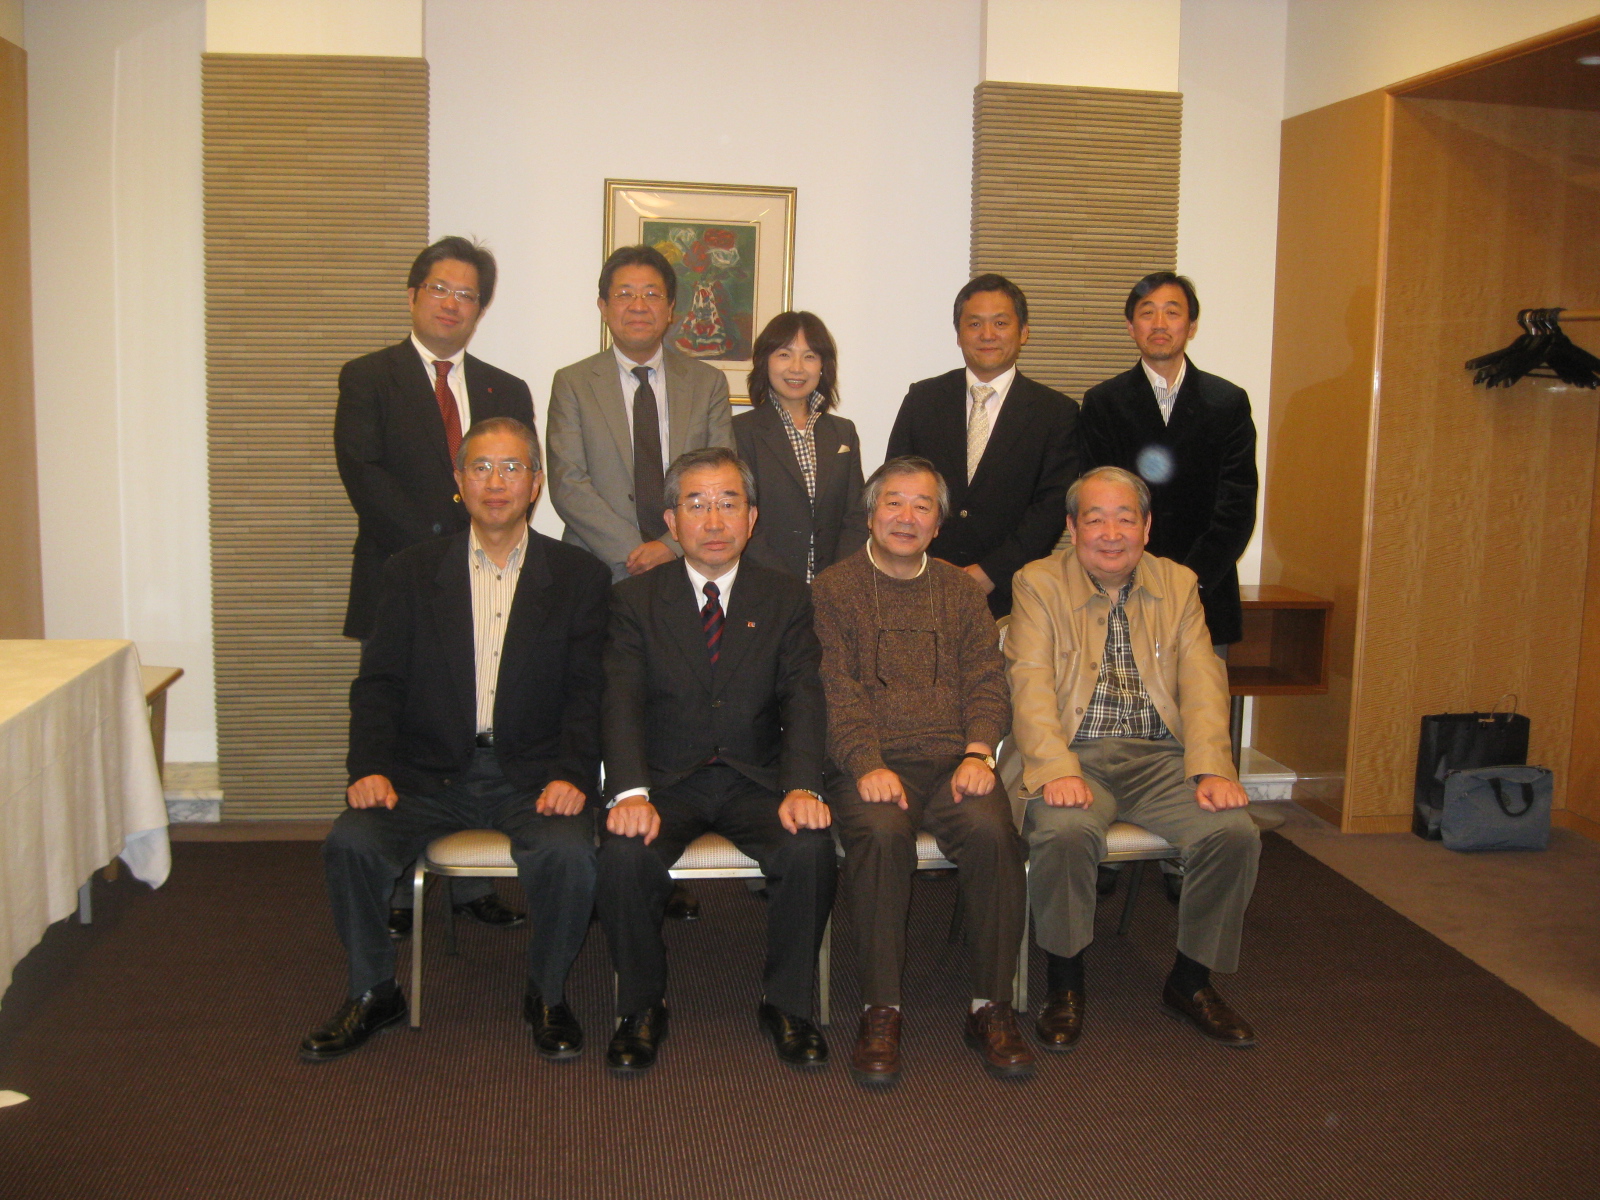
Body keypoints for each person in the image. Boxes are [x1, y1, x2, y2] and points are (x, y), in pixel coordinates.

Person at [300, 418, 610, 1063]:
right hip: (427, 774)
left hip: (532, 774)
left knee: (568, 852)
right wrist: (369, 766)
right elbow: (379, 684)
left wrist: (574, 774)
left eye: (512, 468)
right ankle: (373, 991)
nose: (496, 482)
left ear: (535, 484)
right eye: (481, 467)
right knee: (352, 842)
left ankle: (547, 993)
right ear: (458, 481)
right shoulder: (411, 571)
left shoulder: (578, 575)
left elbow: (589, 692)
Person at [596, 447, 836, 1075]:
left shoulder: (785, 597)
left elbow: (803, 696)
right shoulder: (634, 599)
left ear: (751, 518)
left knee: (810, 849)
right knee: (623, 854)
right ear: (671, 521)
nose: (713, 520)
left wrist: (802, 785)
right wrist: (629, 793)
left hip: (756, 778)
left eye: (729, 503)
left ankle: (787, 1005)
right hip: (665, 781)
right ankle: (640, 1006)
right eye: (696, 504)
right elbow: (620, 700)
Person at [1005, 467, 1261, 1054]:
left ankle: (1191, 981)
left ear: (1147, 527)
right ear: (1072, 528)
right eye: (1095, 519)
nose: (1111, 532)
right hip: (1074, 754)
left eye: (1125, 518)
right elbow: (1029, 684)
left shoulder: (1179, 583)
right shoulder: (1037, 582)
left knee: (1233, 832)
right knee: (1064, 832)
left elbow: (1203, 682)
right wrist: (1055, 768)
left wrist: (1213, 767)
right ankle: (1065, 982)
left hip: (1161, 757)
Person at [333, 235, 533, 933]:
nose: (452, 303)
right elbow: (364, 476)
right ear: (414, 293)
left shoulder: (507, 389)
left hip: (492, 583)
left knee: (477, 726)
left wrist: (481, 552)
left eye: (467, 294)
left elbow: (512, 486)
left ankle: (472, 887)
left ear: (481, 308)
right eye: (440, 289)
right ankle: (391, 890)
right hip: (403, 582)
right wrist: (443, 555)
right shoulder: (368, 377)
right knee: (403, 731)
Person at [813, 457, 1031, 1087]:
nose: (906, 517)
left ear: (938, 524)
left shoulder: (961, 591)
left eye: (922, 506)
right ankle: (881, 1009)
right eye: (893, 503)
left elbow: (987, 679)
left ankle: (990, 1005)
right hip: (871, 763)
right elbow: (833, 690)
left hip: (955, 761)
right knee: (882, 834)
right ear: (870, 514)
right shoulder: (833, 589)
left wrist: (979, 752)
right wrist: (866, 762)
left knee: (993, 833)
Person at [1076, 272, 1258, 651]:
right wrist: (1136, 581)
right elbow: (1097, 505)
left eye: (1172, 312)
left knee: (1202, 691)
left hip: (1205, 595)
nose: (1159, 324)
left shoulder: (1227, 402)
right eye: (1147, 313)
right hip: (1121, 594)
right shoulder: (1103, 403)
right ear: (1131, 326)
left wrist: (1188, 582)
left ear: (1191, 326)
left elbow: (1237, 508)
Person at [886, 273, 1079, 618]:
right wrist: (924, 564)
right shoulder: (922, 399)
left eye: (1000, 323)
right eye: (974, 323)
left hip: (1012, 594)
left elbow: (1051, 507)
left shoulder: (1056, 412)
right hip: (921, 583)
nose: (987, 334)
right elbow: (895, 488)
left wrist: (990, 573)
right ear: (959, 335)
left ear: (1023, 332)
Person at [546, 244, 734, 583]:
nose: (638, 306)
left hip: (687, 562)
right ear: (603, 307)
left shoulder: (707, 383)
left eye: (651, 294)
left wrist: (669, 547)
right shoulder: (573, 383)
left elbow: (722, 479)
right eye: (624, 295)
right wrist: (635, 552)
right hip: (597, 565)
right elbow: (567, 483)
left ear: (670, 308)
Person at [732, 311, 867, 582]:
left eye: (810, 356)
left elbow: (856, 516)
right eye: (784, 354)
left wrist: (833, 581)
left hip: (833, 586)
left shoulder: (843, 432)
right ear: (765, 361)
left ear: (823, 365)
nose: (797, 368)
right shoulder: (739, 431)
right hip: (764, 583)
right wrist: (788, 586)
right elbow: (740, 517)